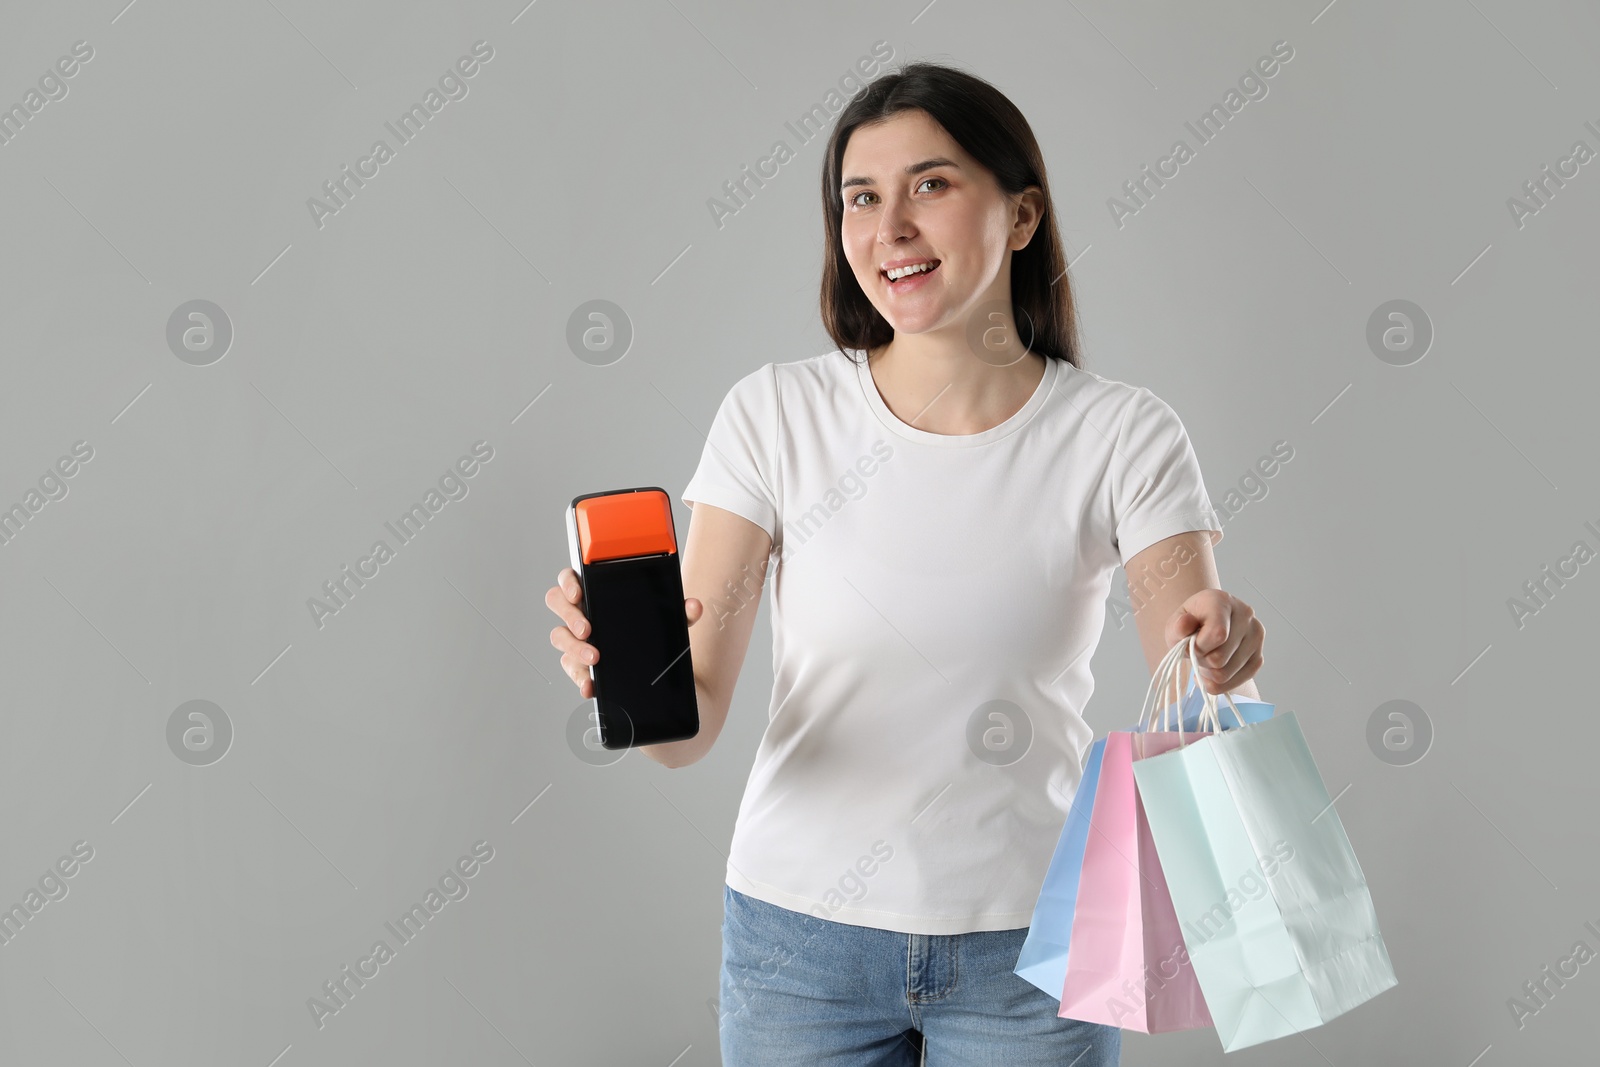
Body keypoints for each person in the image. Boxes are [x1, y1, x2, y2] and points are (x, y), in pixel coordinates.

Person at [548, 60, 1266, 1067]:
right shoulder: (774, 415)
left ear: (1020, 217)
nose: (888, 229)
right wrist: (624, 678)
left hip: (1033, 950)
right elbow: (687, 727)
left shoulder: (1121, 433)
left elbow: (1182, 666)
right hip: (798, 943)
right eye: (860, 197)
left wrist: (1221, 645)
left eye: (929, 185)